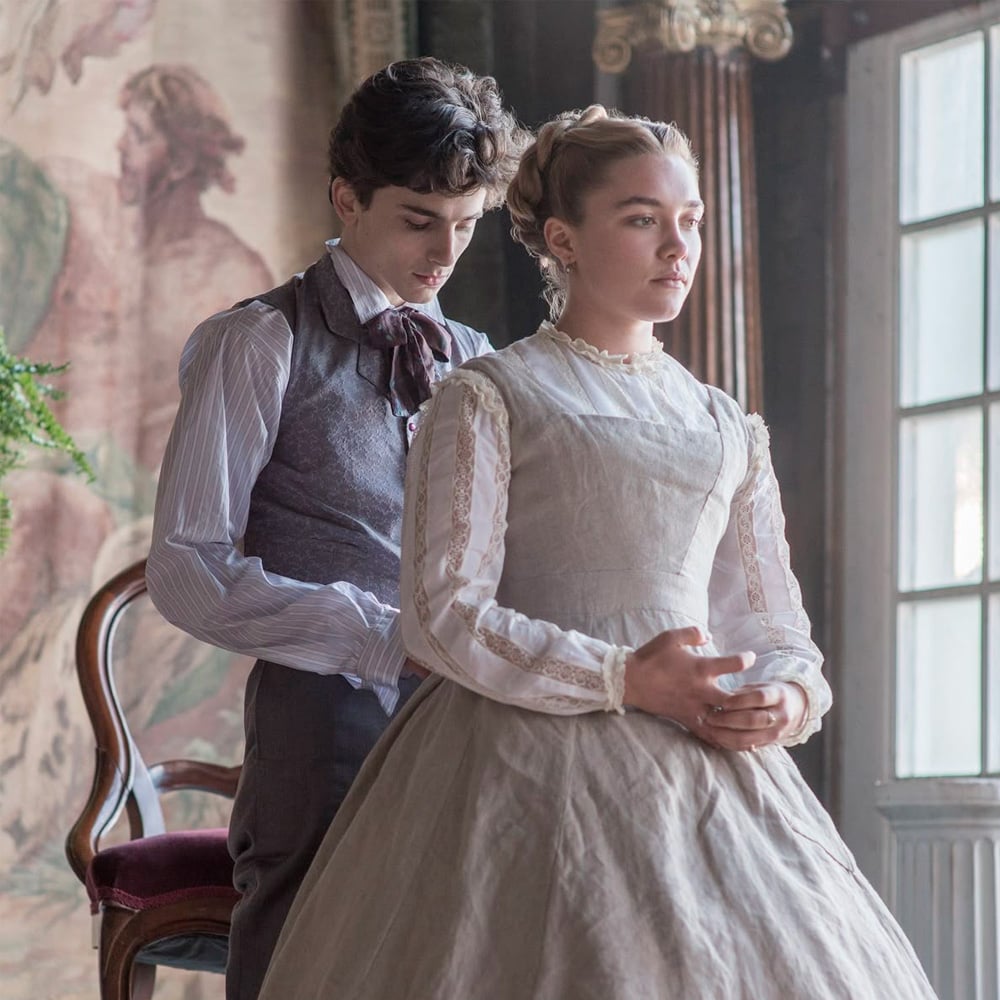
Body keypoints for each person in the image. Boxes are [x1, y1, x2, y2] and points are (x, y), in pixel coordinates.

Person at [256, 106, 938, 999]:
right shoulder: (488, 395)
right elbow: (442, 616)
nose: (678, 247)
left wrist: (785, 695)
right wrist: (623, 677)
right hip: (514, 764)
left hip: (707, 775)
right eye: (642, 219)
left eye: (690, 220)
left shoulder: (724, 424)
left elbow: (774, 626)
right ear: (562, 240)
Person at [145, 57, 526, 1000]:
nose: (444, 252)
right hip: (323, 722)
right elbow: (186, 568)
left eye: (466, 224)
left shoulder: (478, 360)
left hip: (469, 719)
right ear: (346, 198)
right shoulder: (258, 342)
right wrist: (379, 637)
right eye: (418, 219)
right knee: (304, 965)